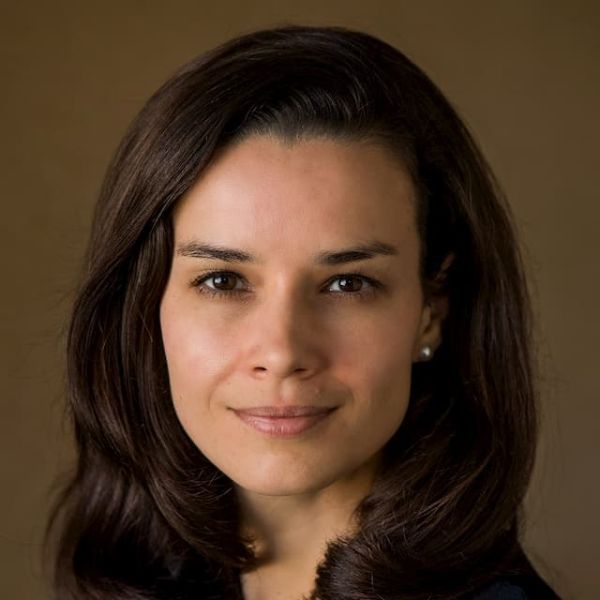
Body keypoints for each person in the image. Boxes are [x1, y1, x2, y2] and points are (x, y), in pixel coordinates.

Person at [45, 25, 561, 600]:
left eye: (347, 283)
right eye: (223, 280)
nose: (283, 352)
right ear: (145, 307)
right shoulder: (146, 576)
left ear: (431, 310)